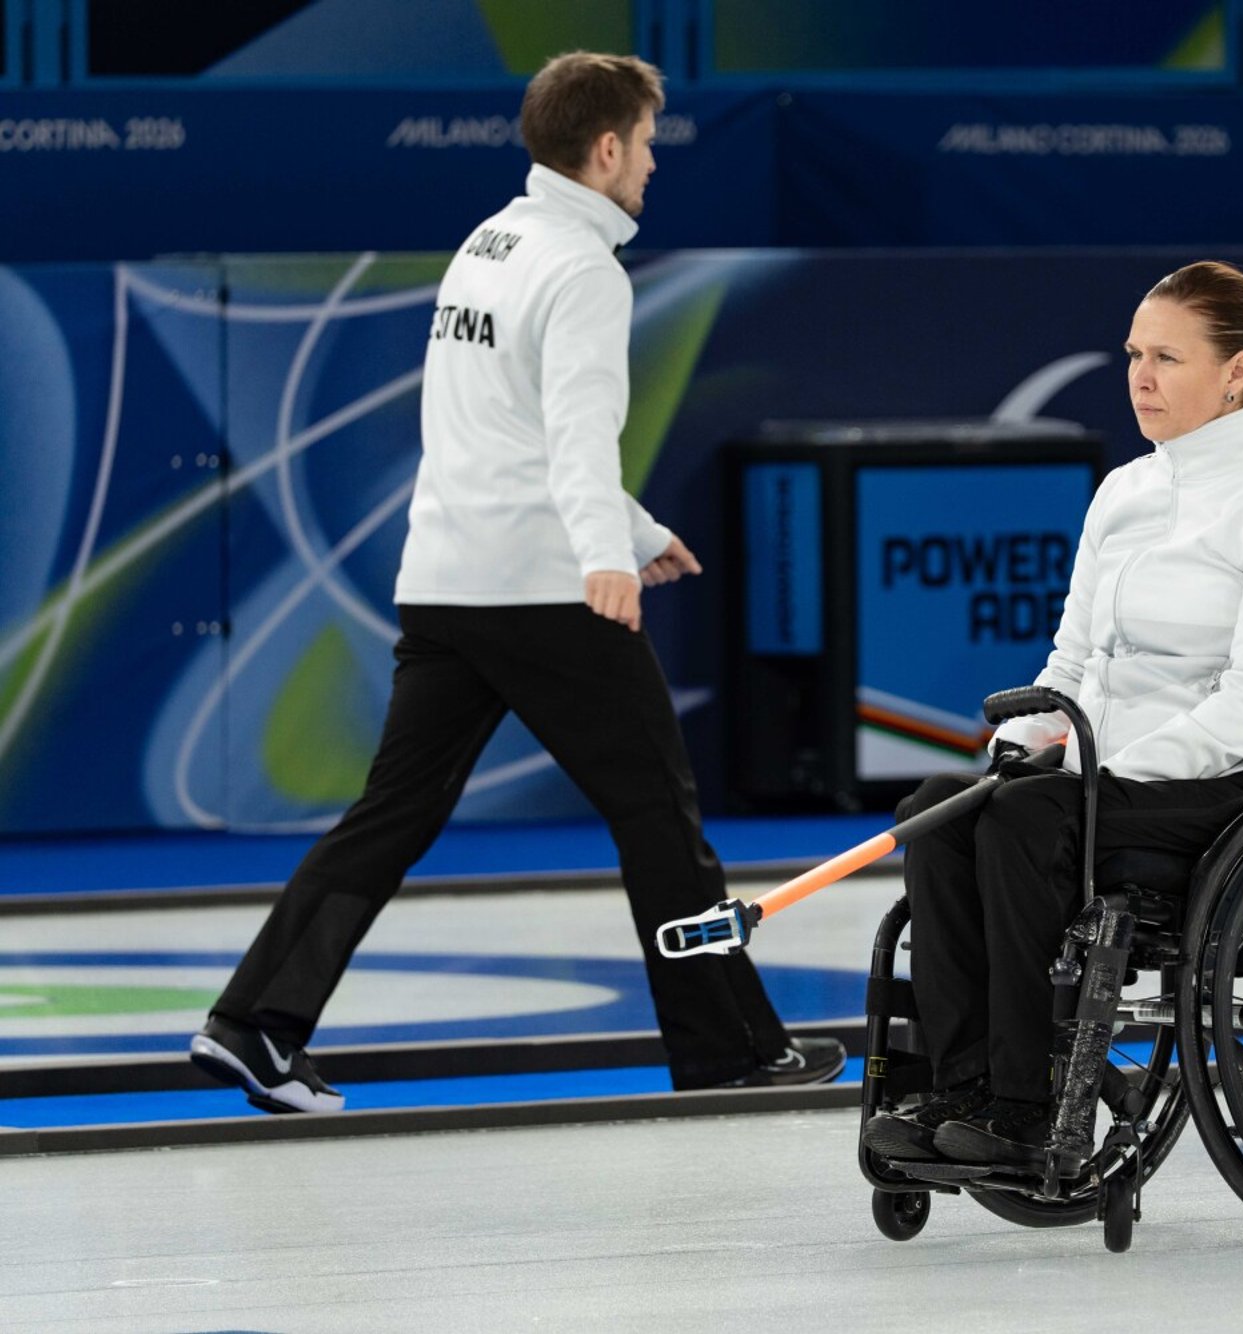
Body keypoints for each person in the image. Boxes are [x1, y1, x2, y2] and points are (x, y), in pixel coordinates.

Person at [189, 52, 842, 1113]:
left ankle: (252, 1023)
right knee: (659, 816)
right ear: (603, 150)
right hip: (542, 588)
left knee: (390, 811)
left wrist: (632, 531)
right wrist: (601, 554)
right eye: (645, 142)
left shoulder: (491, 240)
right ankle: (726, 1048)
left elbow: (502, 428)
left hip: (447, 579)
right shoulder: (584, 268)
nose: (654, 163)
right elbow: (576, 437)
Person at [863, 261, 1243, 1169]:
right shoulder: (1125, 492)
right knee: (939, 806)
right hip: (1105, 776)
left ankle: (1028, 1105)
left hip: (1231, 783)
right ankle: (959, 1087)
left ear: (1238, 372)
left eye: (1166, 357)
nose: (1140, 375)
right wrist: (1026, 745)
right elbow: (1074, 665)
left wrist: (1106, 774)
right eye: (1135, 353)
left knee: (1028, 817)